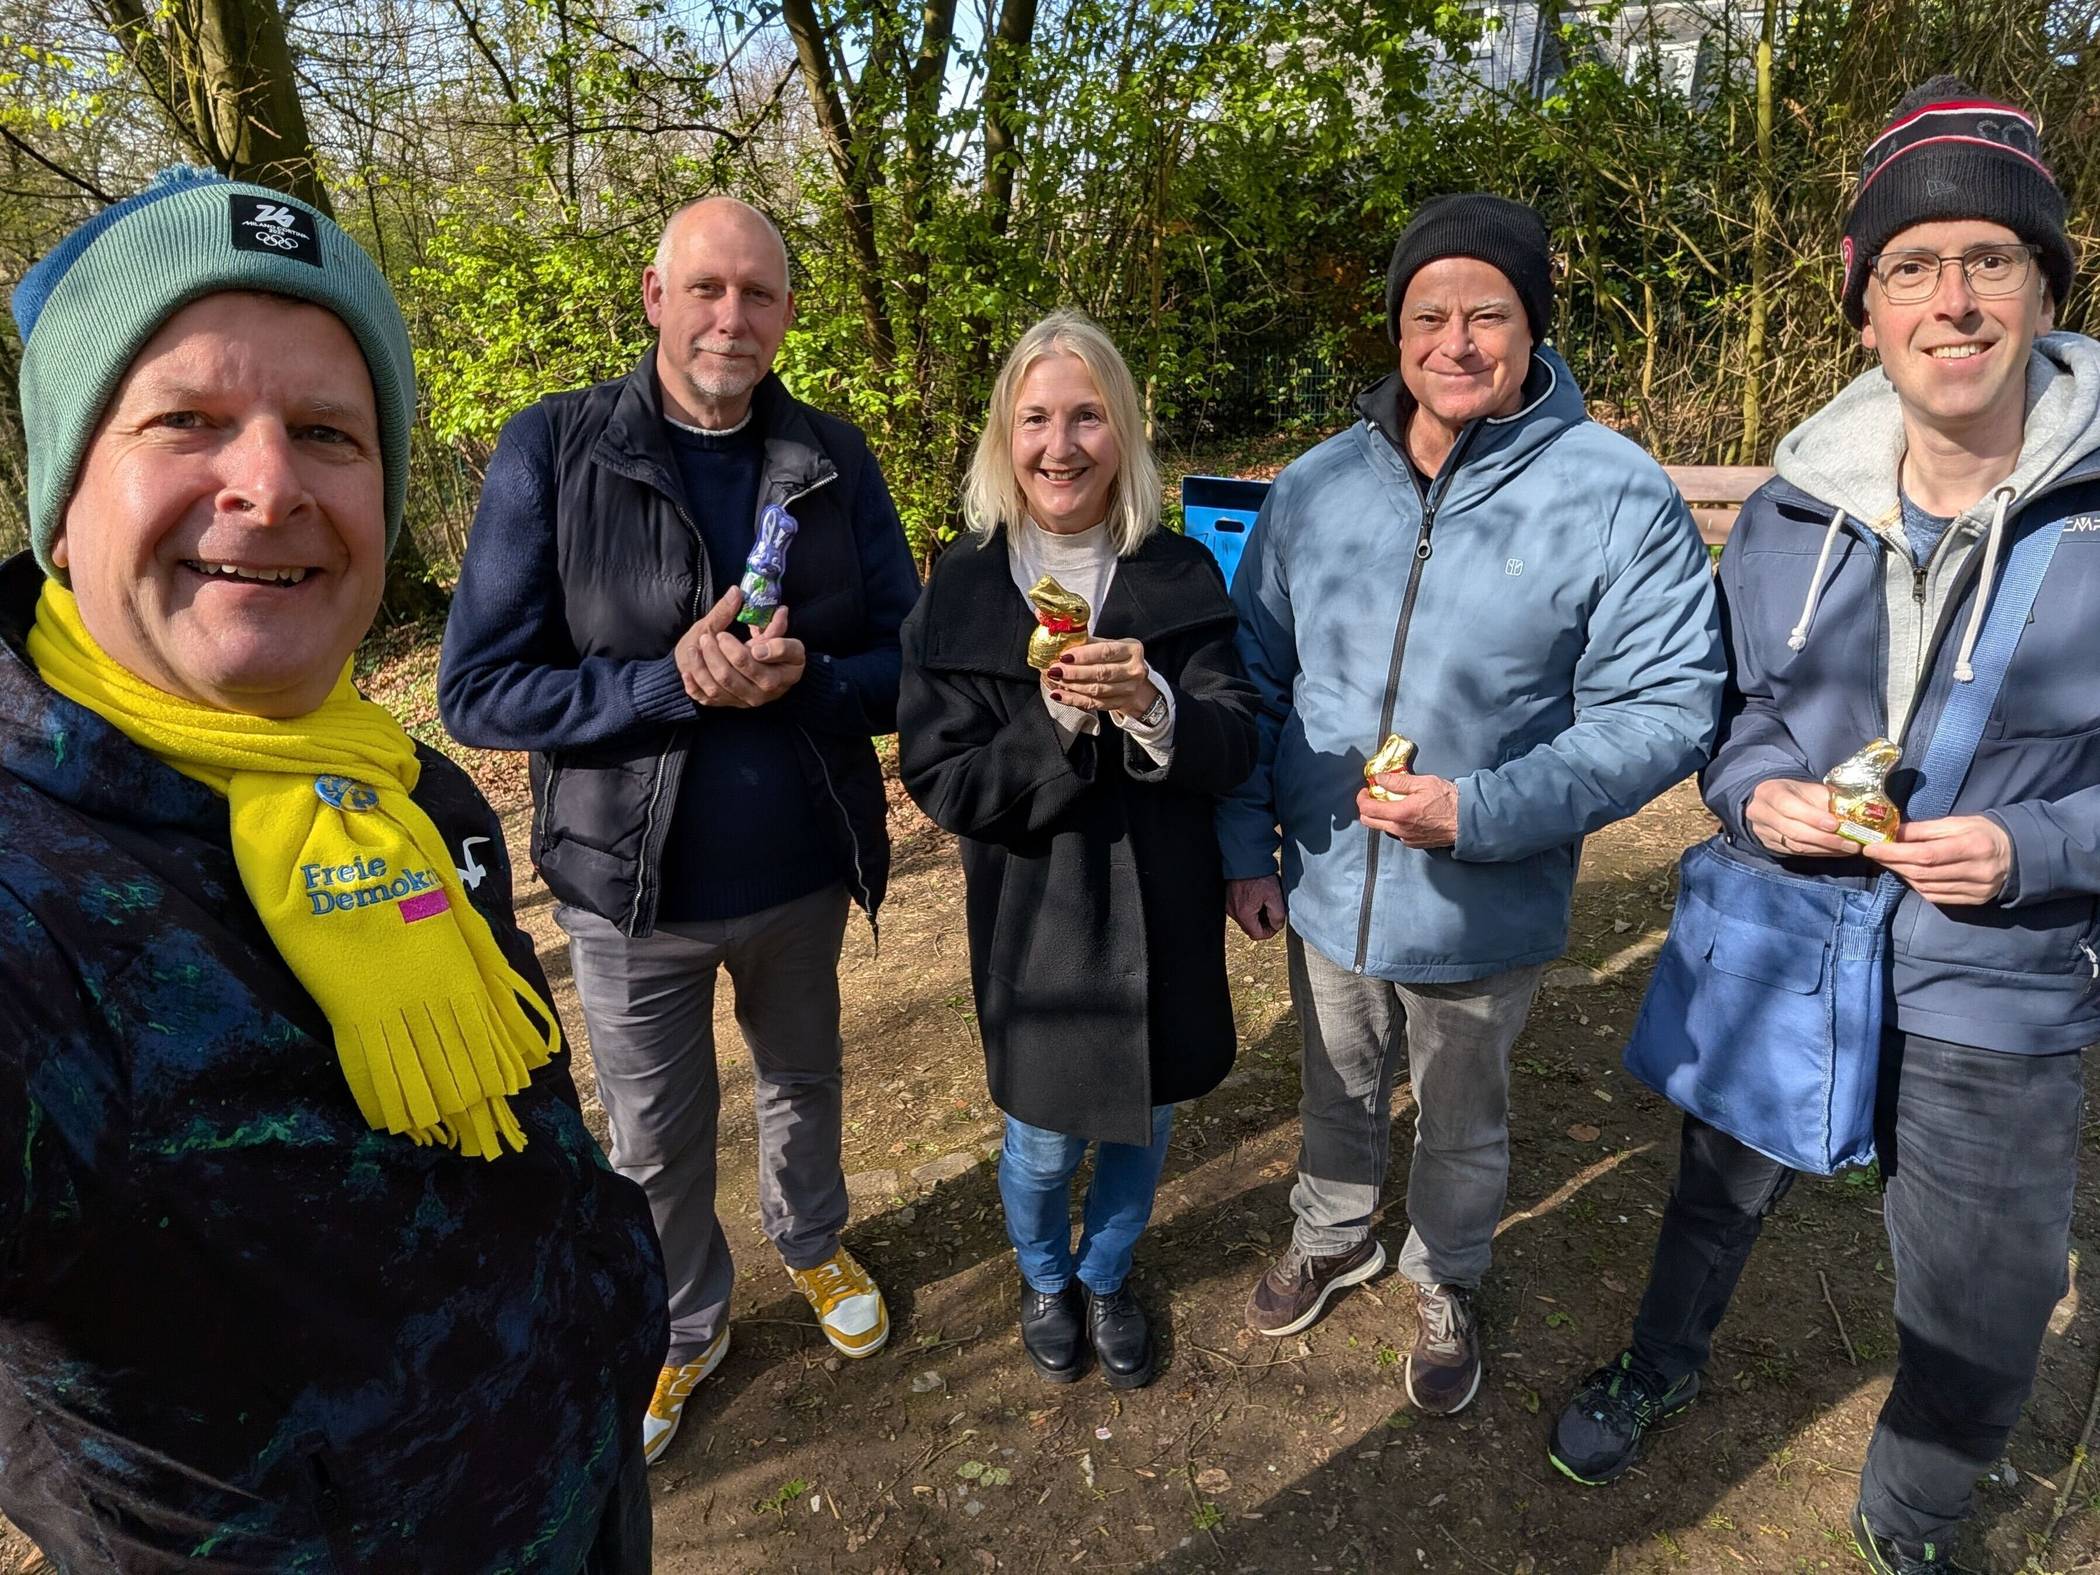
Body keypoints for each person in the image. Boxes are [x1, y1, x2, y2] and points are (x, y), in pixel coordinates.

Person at [0, 168, 665, 1571]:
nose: (270, 482)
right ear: (64, 500)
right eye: (185, 421)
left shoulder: (386, 779)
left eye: (327, 431)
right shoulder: (39, 896)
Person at [1549, 78, 2100, 1575]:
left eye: (1992, 257)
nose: (1955, 299)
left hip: (2003, 964)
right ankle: (1663, 1360)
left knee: (1984, 1292)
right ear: (1866, 305)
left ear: (2048, 285)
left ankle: (1910, 1515)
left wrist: (2037, 850)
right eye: (1913, 266)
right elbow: (1731, 717)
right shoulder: (1797, 505)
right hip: (1792, 931)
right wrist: (1755, 792)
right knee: (1714, 1186)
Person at [1218, 195, 1725, 1414]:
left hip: (1483, 898)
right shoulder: (1320, 486)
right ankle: (1334, 1230)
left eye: (1485, 313)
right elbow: (1250, 674)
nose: (1454, 341)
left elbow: (1665, 707)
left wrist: (1480, 812)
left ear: (1531, 327)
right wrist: (1248, 838)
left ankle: (1448, 1270)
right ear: (1396, 331)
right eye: (1426, 314)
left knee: (1462, 1110)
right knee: (1334, 1082)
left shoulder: (1612, 492)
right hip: (1330, 874)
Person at [440, 195, 922, 1463]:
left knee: (804, 1086)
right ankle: (686, 1322)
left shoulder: (830, 455)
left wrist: (808, 680)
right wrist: (670, 682)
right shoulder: (554, 448)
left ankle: (812, 1244)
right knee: (653, 1138)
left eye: (758, 294)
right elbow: (478, 691)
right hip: (625, 889)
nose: (731, 317)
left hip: (803, 872)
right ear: (654, 297)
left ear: (787, 313)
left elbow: (911, 662)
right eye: (706, 288)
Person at [897, 310, 1257, 1388]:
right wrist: (1054, 726)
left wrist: (1151, 706)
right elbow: (943, 780)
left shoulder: (1183, 570)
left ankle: (1106, 1274)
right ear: (1005, 438)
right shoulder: (959, 589)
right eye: (1038, 418)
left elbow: (1236, 736)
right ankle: (1044, 1273)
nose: (1062, 446)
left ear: (1125, 433)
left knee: (1145, 1127)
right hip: (1036, 918)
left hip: (1164, 909)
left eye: (1089, 416)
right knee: (1045, 1141)